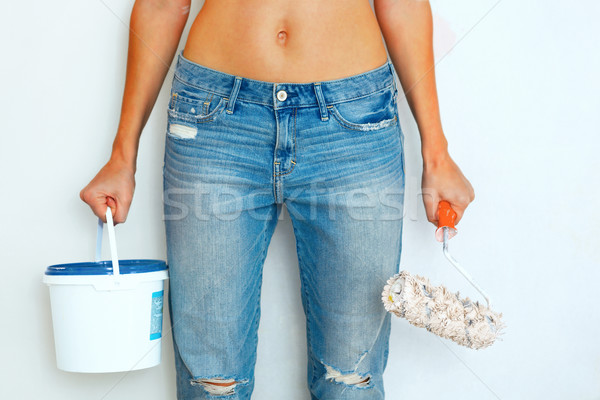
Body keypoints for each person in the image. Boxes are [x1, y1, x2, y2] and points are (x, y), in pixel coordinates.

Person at [80, 0, 474, 398]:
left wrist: (437, 154)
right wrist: (122, 156)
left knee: (351, 380)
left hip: (353, 126)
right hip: (215, 122)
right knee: (211, 382)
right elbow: (164, 4)